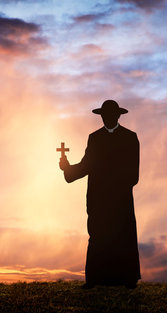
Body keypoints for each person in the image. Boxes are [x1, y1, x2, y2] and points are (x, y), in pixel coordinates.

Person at [59, 99, 140, 289]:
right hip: (99, 199)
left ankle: (127, 279)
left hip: (120, 200)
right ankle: (95, 279)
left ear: (118, 115)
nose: (107, 118)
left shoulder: (130, 137)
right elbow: (87, 165)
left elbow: (133, 173)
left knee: (123, 235)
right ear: (101, 116)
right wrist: (68, 169)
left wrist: (115, 186)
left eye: (111, 115)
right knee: (98, 235)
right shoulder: (94, 138)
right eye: (104, 115)